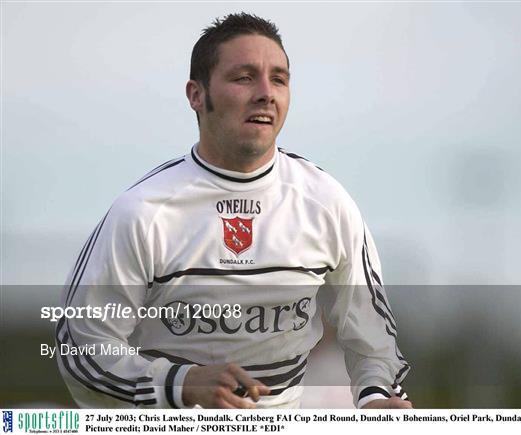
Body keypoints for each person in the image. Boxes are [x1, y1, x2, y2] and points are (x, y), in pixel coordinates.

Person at [56, 13, 411, 409]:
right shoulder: (142, 213)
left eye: (279, 79)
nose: (265, 93)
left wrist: (376, 396)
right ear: (196, 94)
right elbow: (82, 352)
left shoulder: (327, 203)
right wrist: (180, 383)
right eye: (244, 77)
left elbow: (373, 338)